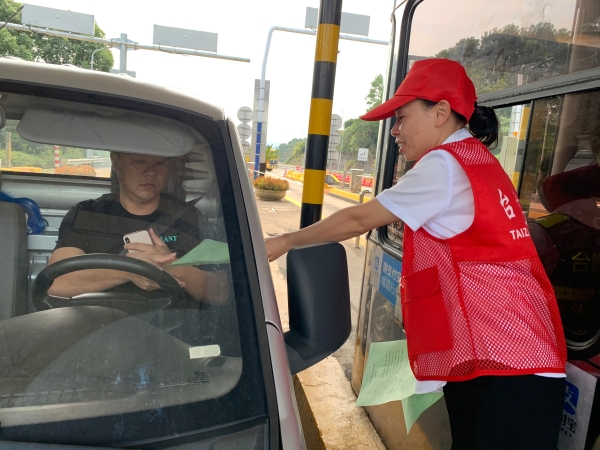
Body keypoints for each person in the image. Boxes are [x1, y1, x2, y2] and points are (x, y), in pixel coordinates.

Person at [266, 59, 566, 449]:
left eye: (402, 118)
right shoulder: (479, 161)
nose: (395, 130)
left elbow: (359, 218)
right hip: (520, 358)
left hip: (502, 368)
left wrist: (287, 241)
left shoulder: (444, 165)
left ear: (440, 113)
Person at [48, 151, 228, 304]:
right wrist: (129, 270)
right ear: (115, 161)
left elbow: (222, 291)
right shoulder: (88, 214)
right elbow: (55, 282)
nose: (151, 172)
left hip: (175, 326)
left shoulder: (191, 219)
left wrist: (172, 267)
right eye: (139, 161)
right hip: (99, 324)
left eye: (159, 163)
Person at [529, 162, 600, 339]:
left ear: (555, 187)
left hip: (546, 331)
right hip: (588, 335)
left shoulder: (542, 231)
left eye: (546, 184)